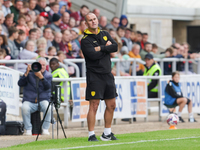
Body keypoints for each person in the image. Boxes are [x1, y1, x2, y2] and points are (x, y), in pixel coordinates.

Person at [81, 13, 118, 141]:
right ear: (86, 23)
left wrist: (100, 48)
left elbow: (115, 47)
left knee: (111, 104)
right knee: (94, 104)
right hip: (94, 75)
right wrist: (106, 48)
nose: (93, 22)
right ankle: (91, 134)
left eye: (94, 19)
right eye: (90, 20)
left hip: (107, 74)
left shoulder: (105, 34)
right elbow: (92, 55)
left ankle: (107, 133)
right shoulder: (85, 39)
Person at [18, 57, 52, 135]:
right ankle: (28, 129)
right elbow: (20, 84)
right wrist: (26, 72)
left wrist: (41, 77)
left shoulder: (48, 75)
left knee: (48, 107)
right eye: (40, 65)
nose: (42, 67)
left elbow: (48, 87)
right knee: (24, 107)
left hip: (42, 100)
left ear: (46, 66)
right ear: (35, 65)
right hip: (30, 100)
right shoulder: (29, 73)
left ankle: (45, 128)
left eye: (43, 65)